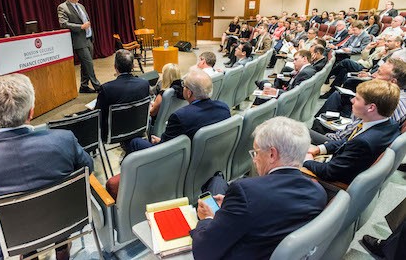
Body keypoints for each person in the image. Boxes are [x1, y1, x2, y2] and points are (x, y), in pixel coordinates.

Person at [0, 74, 94, 260]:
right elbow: (88, 169)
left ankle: (28, 252)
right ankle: (62, 248)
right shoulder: (64, 140)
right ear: (31, 112)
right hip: (63, 223)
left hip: (12, 239)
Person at [190, 116, 327, 260]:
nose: (254, 159)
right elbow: (272, 210)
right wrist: (233, 205)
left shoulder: (245, 191)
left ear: (272, 154)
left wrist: (207, 218)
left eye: (256, 152)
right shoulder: (318, 192)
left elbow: (203, 252)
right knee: (218, 183)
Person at [304, 79, 401, 184]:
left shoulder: (364, 142)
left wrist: (307, 160)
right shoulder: (388, 124)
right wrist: (320, 149)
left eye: (357, 99)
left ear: (371, 108)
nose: (352, 100)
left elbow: (329, 172)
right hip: (339, 164)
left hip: (332, 184)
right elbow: (347, 141)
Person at [127, 68, 230, 152]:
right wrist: (163, 140)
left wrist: (160, 142)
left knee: (135, 142)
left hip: (179, 162)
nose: (182, 88)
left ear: (189, 93)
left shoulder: (180, 116)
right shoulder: (224, 108)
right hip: (209, 156)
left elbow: (164, 149)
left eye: (184, 86)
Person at [95, 49, 150, 140]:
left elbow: (99, 114)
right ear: (133, 66)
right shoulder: (144, 84)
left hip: (113, 133)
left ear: (115, 67)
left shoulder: (107, 89)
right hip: (138, 127)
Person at [57, 0, 101, 93]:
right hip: (79, 41)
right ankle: (98, 87)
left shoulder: (81, 6)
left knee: (85, 65)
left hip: (88, 38)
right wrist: (80, 27)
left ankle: (84, 86)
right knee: (89, 64)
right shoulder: (63, 7)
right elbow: (63, 24)